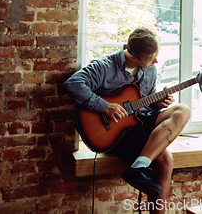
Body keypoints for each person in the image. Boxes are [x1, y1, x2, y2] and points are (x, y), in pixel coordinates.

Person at [64, 28, 191, 214]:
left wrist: (157, 103)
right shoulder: (103, 66)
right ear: (134, 57)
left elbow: (144, 104)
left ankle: (138, 167)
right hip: (115, 132)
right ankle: (141, 171)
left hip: (140, 119)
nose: (156, 61)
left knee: (183, 110)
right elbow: (72, 84)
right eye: (151, 57)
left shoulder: (150, 69)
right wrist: (105, 106)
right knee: (165, 159)